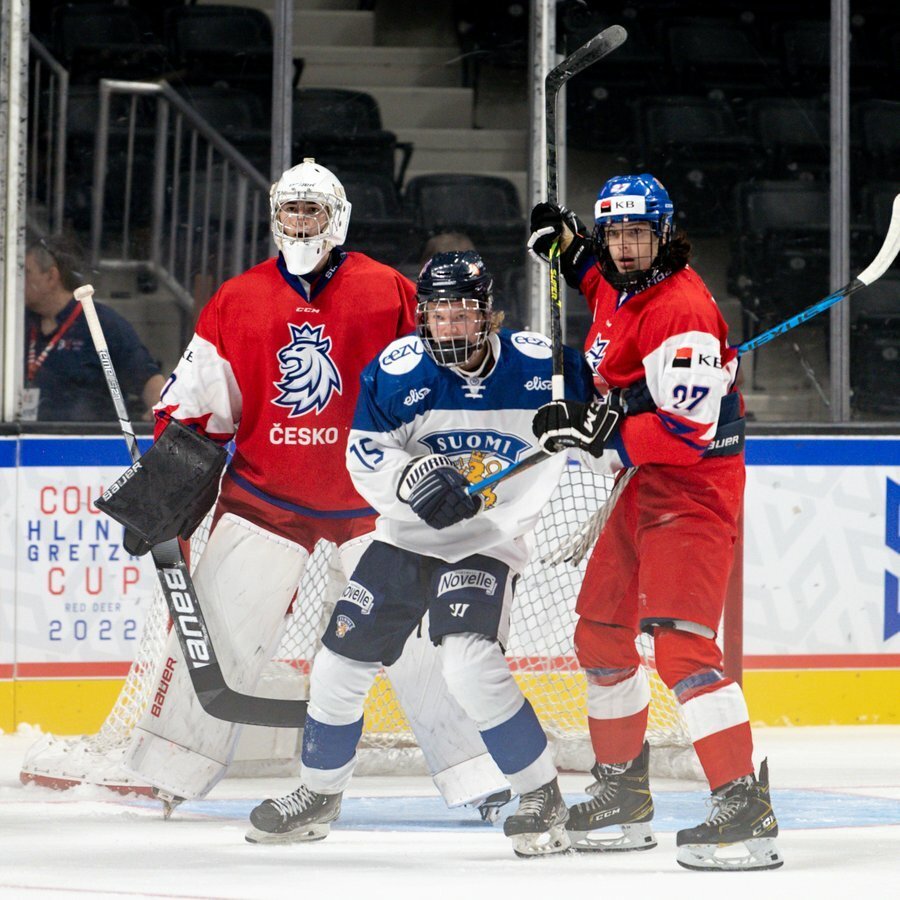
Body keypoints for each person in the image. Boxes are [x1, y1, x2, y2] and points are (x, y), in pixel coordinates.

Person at [107, 159, 511, 821]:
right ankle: (169, 770)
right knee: (217, 631)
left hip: (373, 503)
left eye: (312, 210)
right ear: (275, 218)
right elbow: (197, 412)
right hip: (267, 499)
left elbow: (438, 388)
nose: (301, 222)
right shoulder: (237, 300)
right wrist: (167, 498)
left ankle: (477, 775)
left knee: (421, 642)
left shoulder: (389, 293)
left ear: (338, 217)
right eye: (291, 209)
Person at [244, 250, 596, 857]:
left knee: (466, 662)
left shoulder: (546, 368)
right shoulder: (398, 370)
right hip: (407, 538)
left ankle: (540, 796)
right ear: (422, 317)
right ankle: (318, 794)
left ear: (492, 316)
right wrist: (413, 478)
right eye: (438, 314)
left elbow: (611, 417)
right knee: (337, 664)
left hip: (488, 543)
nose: (450, 326)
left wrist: (594, 423)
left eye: (464, 314)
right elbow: (366, 452)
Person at [527, 174, 782, 871]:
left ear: (665, 235)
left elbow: (685, 437)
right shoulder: (617, 277)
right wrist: (566, 248)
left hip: (693, 493)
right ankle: (622, 791)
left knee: (681, 650)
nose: (624, 247)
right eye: (612, 234)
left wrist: (597, 430)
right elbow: (594, 279)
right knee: (601, 633)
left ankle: (742, 801)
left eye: (638, 233)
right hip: (640, 489)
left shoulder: (684, 314)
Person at [22, 234, 165, 422]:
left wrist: (160, 410)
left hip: (87, 444)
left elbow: (147, 377)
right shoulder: (17, 323)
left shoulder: (101, 323)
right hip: (27, 440)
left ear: (51, 276)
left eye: (26, 272)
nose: (16, 280)